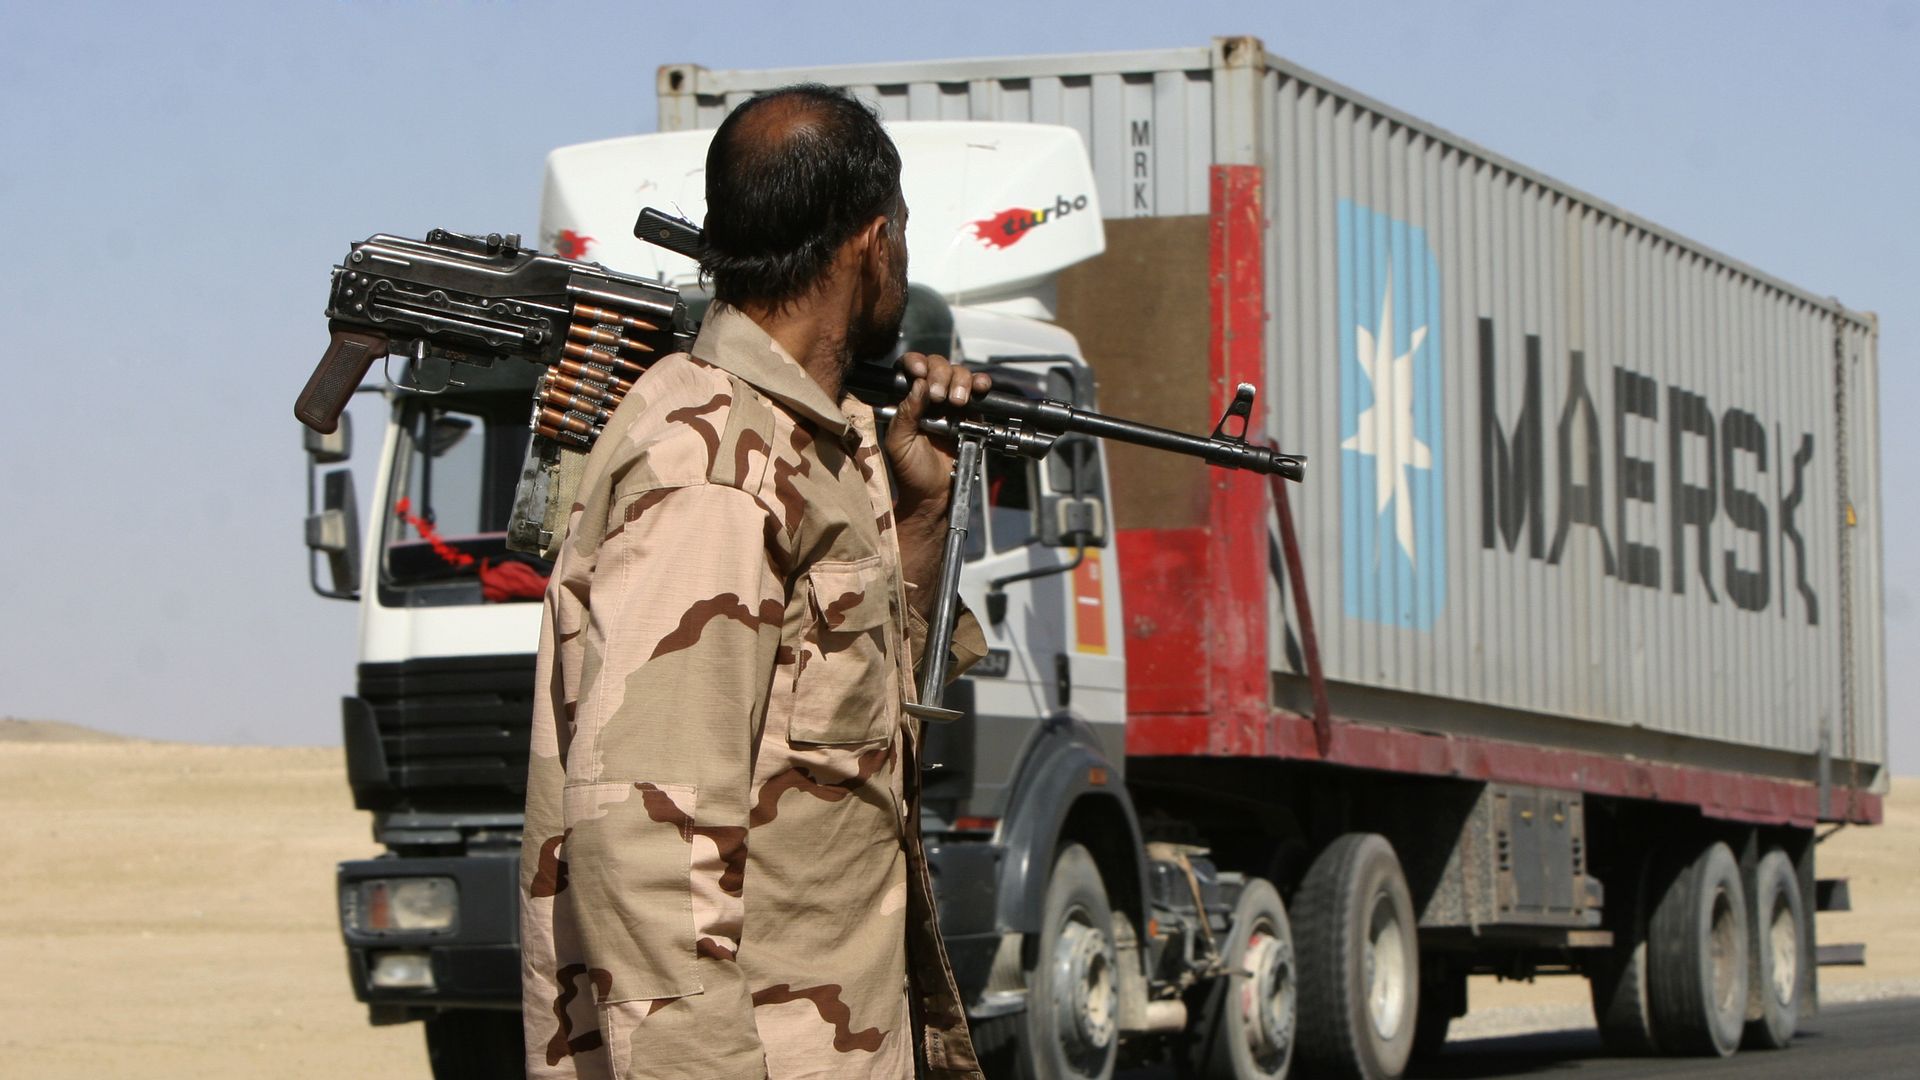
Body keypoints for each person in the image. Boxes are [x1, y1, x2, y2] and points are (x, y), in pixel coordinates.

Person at [520, 83, 992, 1080]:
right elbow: (647, 845)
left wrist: (915, 523)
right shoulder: (715, 470)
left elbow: (852, 731)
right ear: (872, 244)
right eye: (900, 238)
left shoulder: (810, 450)